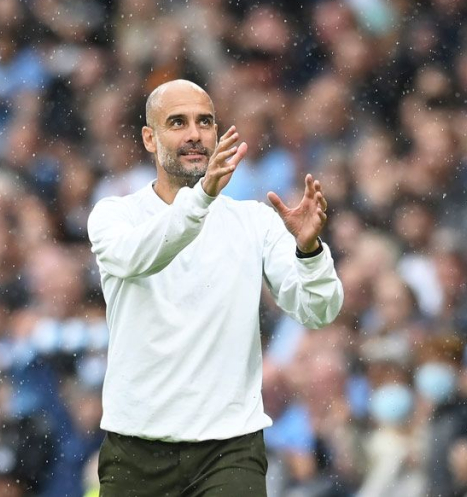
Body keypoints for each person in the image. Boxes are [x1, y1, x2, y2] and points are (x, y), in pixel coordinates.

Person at [87, 79, 344, 495]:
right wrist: (202, 197)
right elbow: (140, 255)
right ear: (150, 139)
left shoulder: (255, 221)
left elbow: (318, 311)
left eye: (204, 122)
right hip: (136, 447)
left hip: (230, 448)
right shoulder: (114, 215)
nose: (194, 134)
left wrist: (310, 251)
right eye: (178, 122)